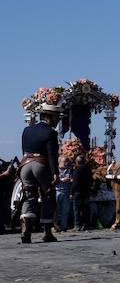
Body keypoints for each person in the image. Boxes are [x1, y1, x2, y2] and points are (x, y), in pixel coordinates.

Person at [18, 104, 62, 243]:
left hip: (25, 165)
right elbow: (52, 154)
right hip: (41, 165)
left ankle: (26, 229)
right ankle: (47, 232)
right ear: (49, 117)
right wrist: (55, 173)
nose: (58, 120)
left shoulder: (27, 130)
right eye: (57, 117)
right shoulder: (51, 132)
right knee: (48, 196)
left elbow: (24, 150)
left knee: (29, 196)